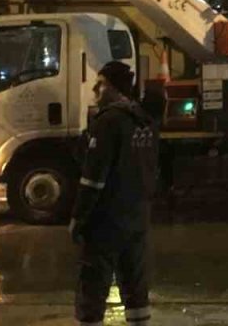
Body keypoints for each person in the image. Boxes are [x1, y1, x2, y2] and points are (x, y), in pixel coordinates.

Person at [70, 61, 158, 326]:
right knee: (134, 285)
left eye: (101, 83)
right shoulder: (146, 121)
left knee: (93, 287)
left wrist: (78, 217)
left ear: (115, 88)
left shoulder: (108, 122)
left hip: (106, 220)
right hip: (137, 217)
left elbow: (92, 179)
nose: (96, 89)